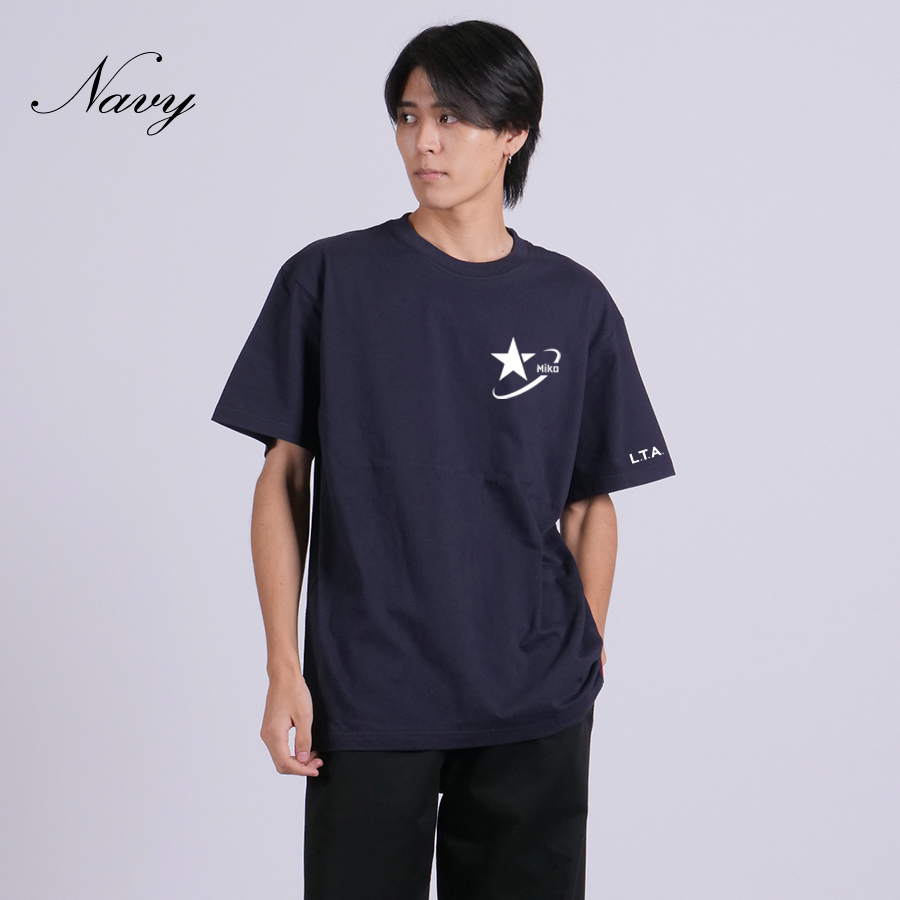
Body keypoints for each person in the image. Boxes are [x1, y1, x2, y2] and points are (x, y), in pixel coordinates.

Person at [211, 19, 675, 900]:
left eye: (452, 117)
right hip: (370, 690)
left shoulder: (573, 302)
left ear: (514, 133)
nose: (423, 140)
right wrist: (282, 666)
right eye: (408, 115)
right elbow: (282, 476)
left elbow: (591, 501)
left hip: (534, 697)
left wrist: (584, 652)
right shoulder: (329, 280)